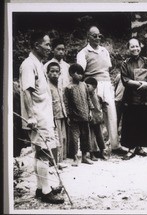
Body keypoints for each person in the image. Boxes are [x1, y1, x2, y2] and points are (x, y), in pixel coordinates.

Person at [19, 30, 64, 204]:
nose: (49, 47)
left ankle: (40, 188)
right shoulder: (28, 64)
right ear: (36, 45)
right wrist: (31, 116)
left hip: (44, 115)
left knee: (40, 152)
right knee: (44, 152)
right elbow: (26, 91)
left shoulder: (38, 64)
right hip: (38, 117)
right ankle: (46, 192)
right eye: (46, 44)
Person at [77, 26, 127, 156]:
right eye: (94, 36)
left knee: (111, 113)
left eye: (99, 36)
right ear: (88, 37)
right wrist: (89, 87)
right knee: (95, 116)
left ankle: (115, 145)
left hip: (106, 83)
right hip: (92, 85)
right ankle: (95, 149)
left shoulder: (104, 50)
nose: (98, 38)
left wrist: (106, 83)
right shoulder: (83, 53)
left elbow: (108, 68)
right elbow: (80, 72)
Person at [120, 38, 147, 160]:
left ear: (140, 47)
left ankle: (141, 146)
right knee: (132, 121)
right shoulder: (125, 63)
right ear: (128, 48)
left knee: (144, 120)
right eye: (132, 47)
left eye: (137, 46)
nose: (135, 49)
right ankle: (131, 148)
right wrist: (139, 84)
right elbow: (125, 79)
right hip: (132, 97)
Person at [64, 63, 94, 166]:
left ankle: (85, 157)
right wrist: (68, 115)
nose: (81, 76)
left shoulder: (84, 85)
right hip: (74, 117)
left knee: (85, 137)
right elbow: (66, 103)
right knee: (74, 138)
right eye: (78, 73)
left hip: (85, 115)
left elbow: (88, 99)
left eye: (82, 74)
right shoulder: (68, 88)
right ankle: (75, 157)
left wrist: (90, 111)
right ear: (72, 74)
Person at [46, 62, 68, 167]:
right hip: (54, 116)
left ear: (60, 73)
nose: (54, 74)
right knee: (56, 138)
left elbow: (62, 100)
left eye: (57, 71)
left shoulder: (59, 85)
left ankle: (62, 159)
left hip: (62, 114)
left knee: (63, 137)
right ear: (47, 73)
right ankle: (56, 162)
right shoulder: (47, 86)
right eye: (52, 71)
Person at [85, 77, 110, 161]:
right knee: (90, 137)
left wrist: (104, 107)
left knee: (100, 136)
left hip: (98, 119)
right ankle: (92, 154)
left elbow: (103, 105)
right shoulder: (85, 97)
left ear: (94, 87)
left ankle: (102, 151)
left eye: (88, 86)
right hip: (90, 120)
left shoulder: (98, 96)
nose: (86, 88)